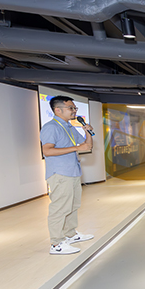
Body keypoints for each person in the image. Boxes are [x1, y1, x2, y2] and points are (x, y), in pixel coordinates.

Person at [40, 95, 94, 255]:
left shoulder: (70, 127)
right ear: (58, 110)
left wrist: (87, 132)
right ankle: (56, 244)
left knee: (73, 205)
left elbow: (87, 146)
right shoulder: (51, 127)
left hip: (73, 172)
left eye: (75, 108)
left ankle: (71, 234)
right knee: (60, 208)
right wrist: (75, 148)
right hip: (60, 173)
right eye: (71, 108)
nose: (74, 111)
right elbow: (47, 151)